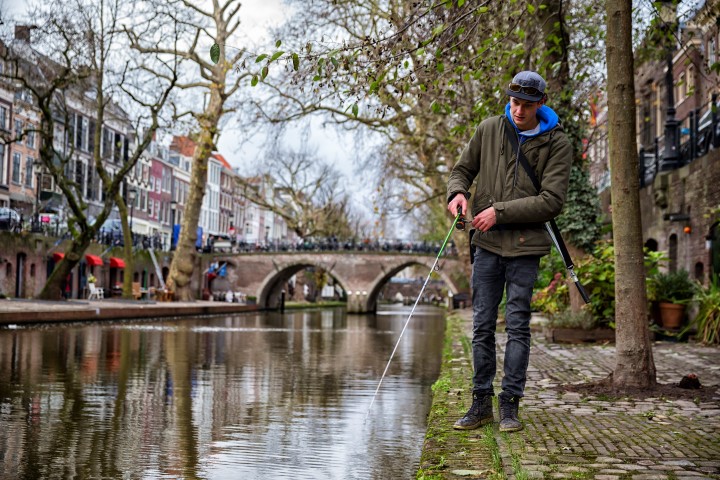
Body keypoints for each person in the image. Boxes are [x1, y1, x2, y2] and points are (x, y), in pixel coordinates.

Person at [446, 71, 573, 432]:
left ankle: (510, 406)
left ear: (541, 104)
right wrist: (458, 193)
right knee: (481, 325)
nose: (518, 110)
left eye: (527, 105)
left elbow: (552, 201)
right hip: (485, 246)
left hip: (524, 248)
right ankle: (480, 402)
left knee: (517, 325)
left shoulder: (557, 143)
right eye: (515, 102)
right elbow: (462, 170)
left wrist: (498, 212)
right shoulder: (489, 129)